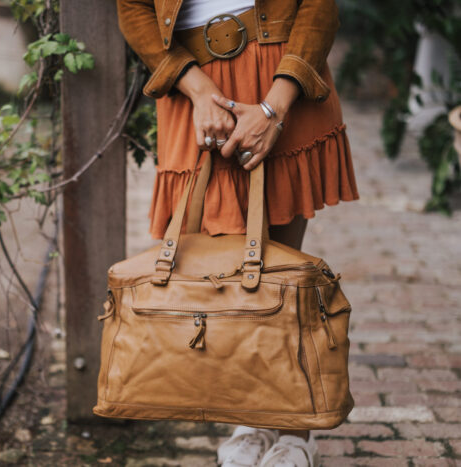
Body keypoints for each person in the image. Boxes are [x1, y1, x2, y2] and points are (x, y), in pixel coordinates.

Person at [116, 0, 359, 466]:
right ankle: (250, 416)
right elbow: (133, 7)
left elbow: (318, 4)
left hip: (280, 75)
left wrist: (274, 107)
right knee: (222, 273)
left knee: (281, 269)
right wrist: (198, 88)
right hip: (194, 88)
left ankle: (294, 428)